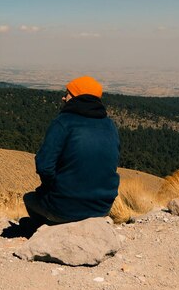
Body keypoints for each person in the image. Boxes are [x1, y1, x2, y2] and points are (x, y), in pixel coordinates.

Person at [24, 75, 120, 226]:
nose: (63, 97)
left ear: (77, 97)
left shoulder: (63, 123)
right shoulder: (110, 126)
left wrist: (51, 187)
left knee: (29, 199)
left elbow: (44, 166)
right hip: (102, 207)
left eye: (67, 93)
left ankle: (45, 231)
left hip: (64, 207)